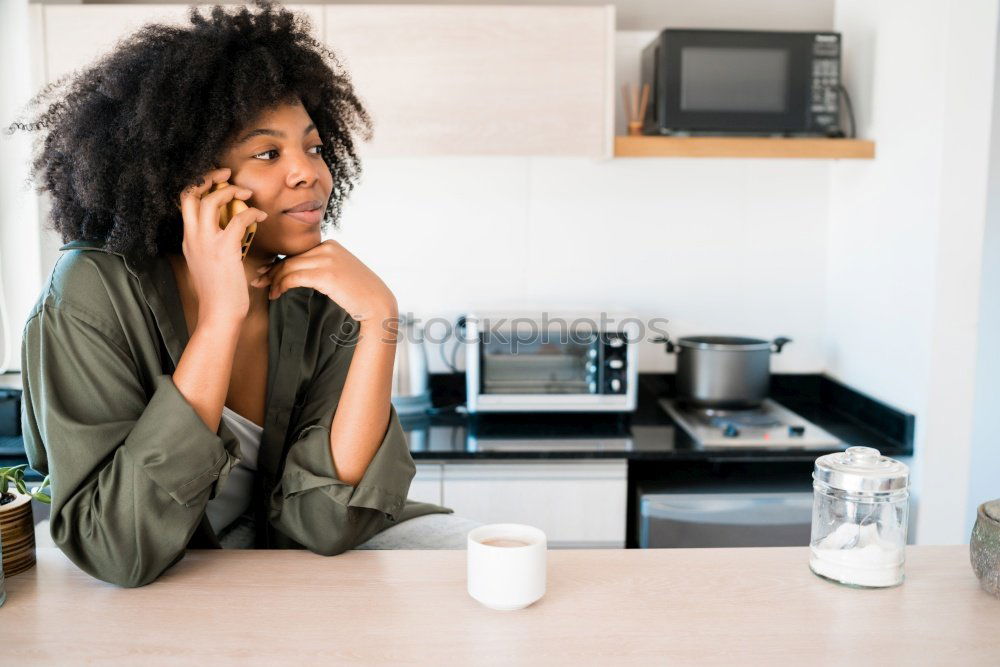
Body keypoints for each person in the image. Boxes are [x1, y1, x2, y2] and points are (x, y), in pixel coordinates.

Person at [8, 0, 480, 588]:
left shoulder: (323, 293)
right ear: (188, 179)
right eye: (267, 153)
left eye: (312, 146)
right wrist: (220, 321)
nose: (309, 172)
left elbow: (328, 524)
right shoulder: (93, 292)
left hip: (301, 577)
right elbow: (117, 548)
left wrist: (381, 319)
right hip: (176, 585)